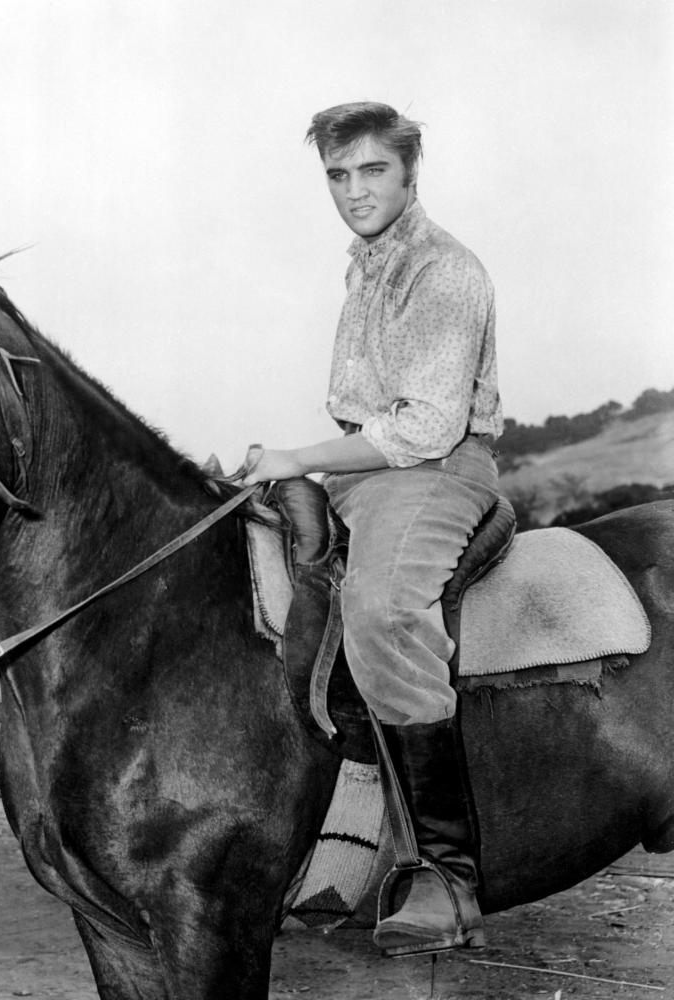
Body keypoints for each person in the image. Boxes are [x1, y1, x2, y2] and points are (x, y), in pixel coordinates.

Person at [234, 102, 503, 956]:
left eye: (373, 170)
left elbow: (424, 427)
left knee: (383, 613)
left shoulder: (443, 271)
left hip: (434, 470)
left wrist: (298, 457)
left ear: (410, 172)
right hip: (366, 473)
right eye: (338, 175)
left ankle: (448, 877)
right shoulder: (365, 268)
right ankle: (327, 848)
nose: (354, 190)